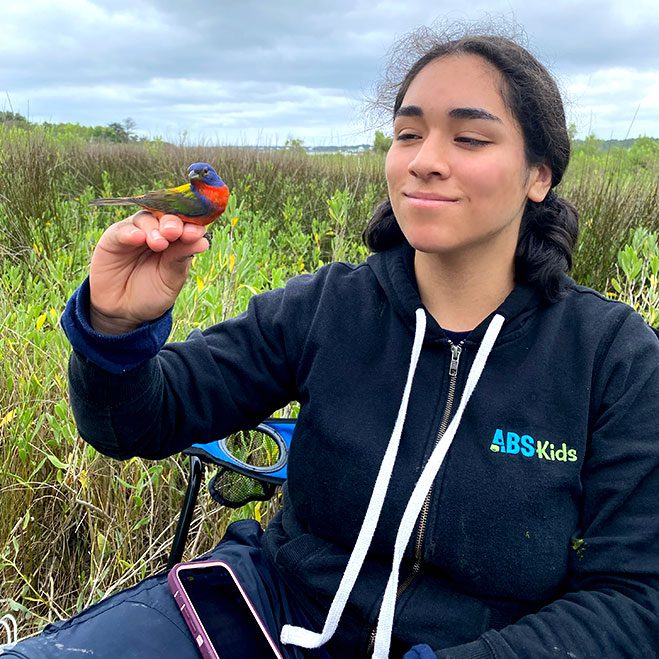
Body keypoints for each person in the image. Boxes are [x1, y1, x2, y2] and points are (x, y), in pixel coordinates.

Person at [6, 29, 659, 659]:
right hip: (272, 612)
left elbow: (635, 598)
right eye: (407, 133)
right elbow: (138, 423)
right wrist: (115, 331)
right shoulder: (325, 307)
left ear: (538, 175)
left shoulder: (610, 356)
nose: (424, 158)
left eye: (468, 137)